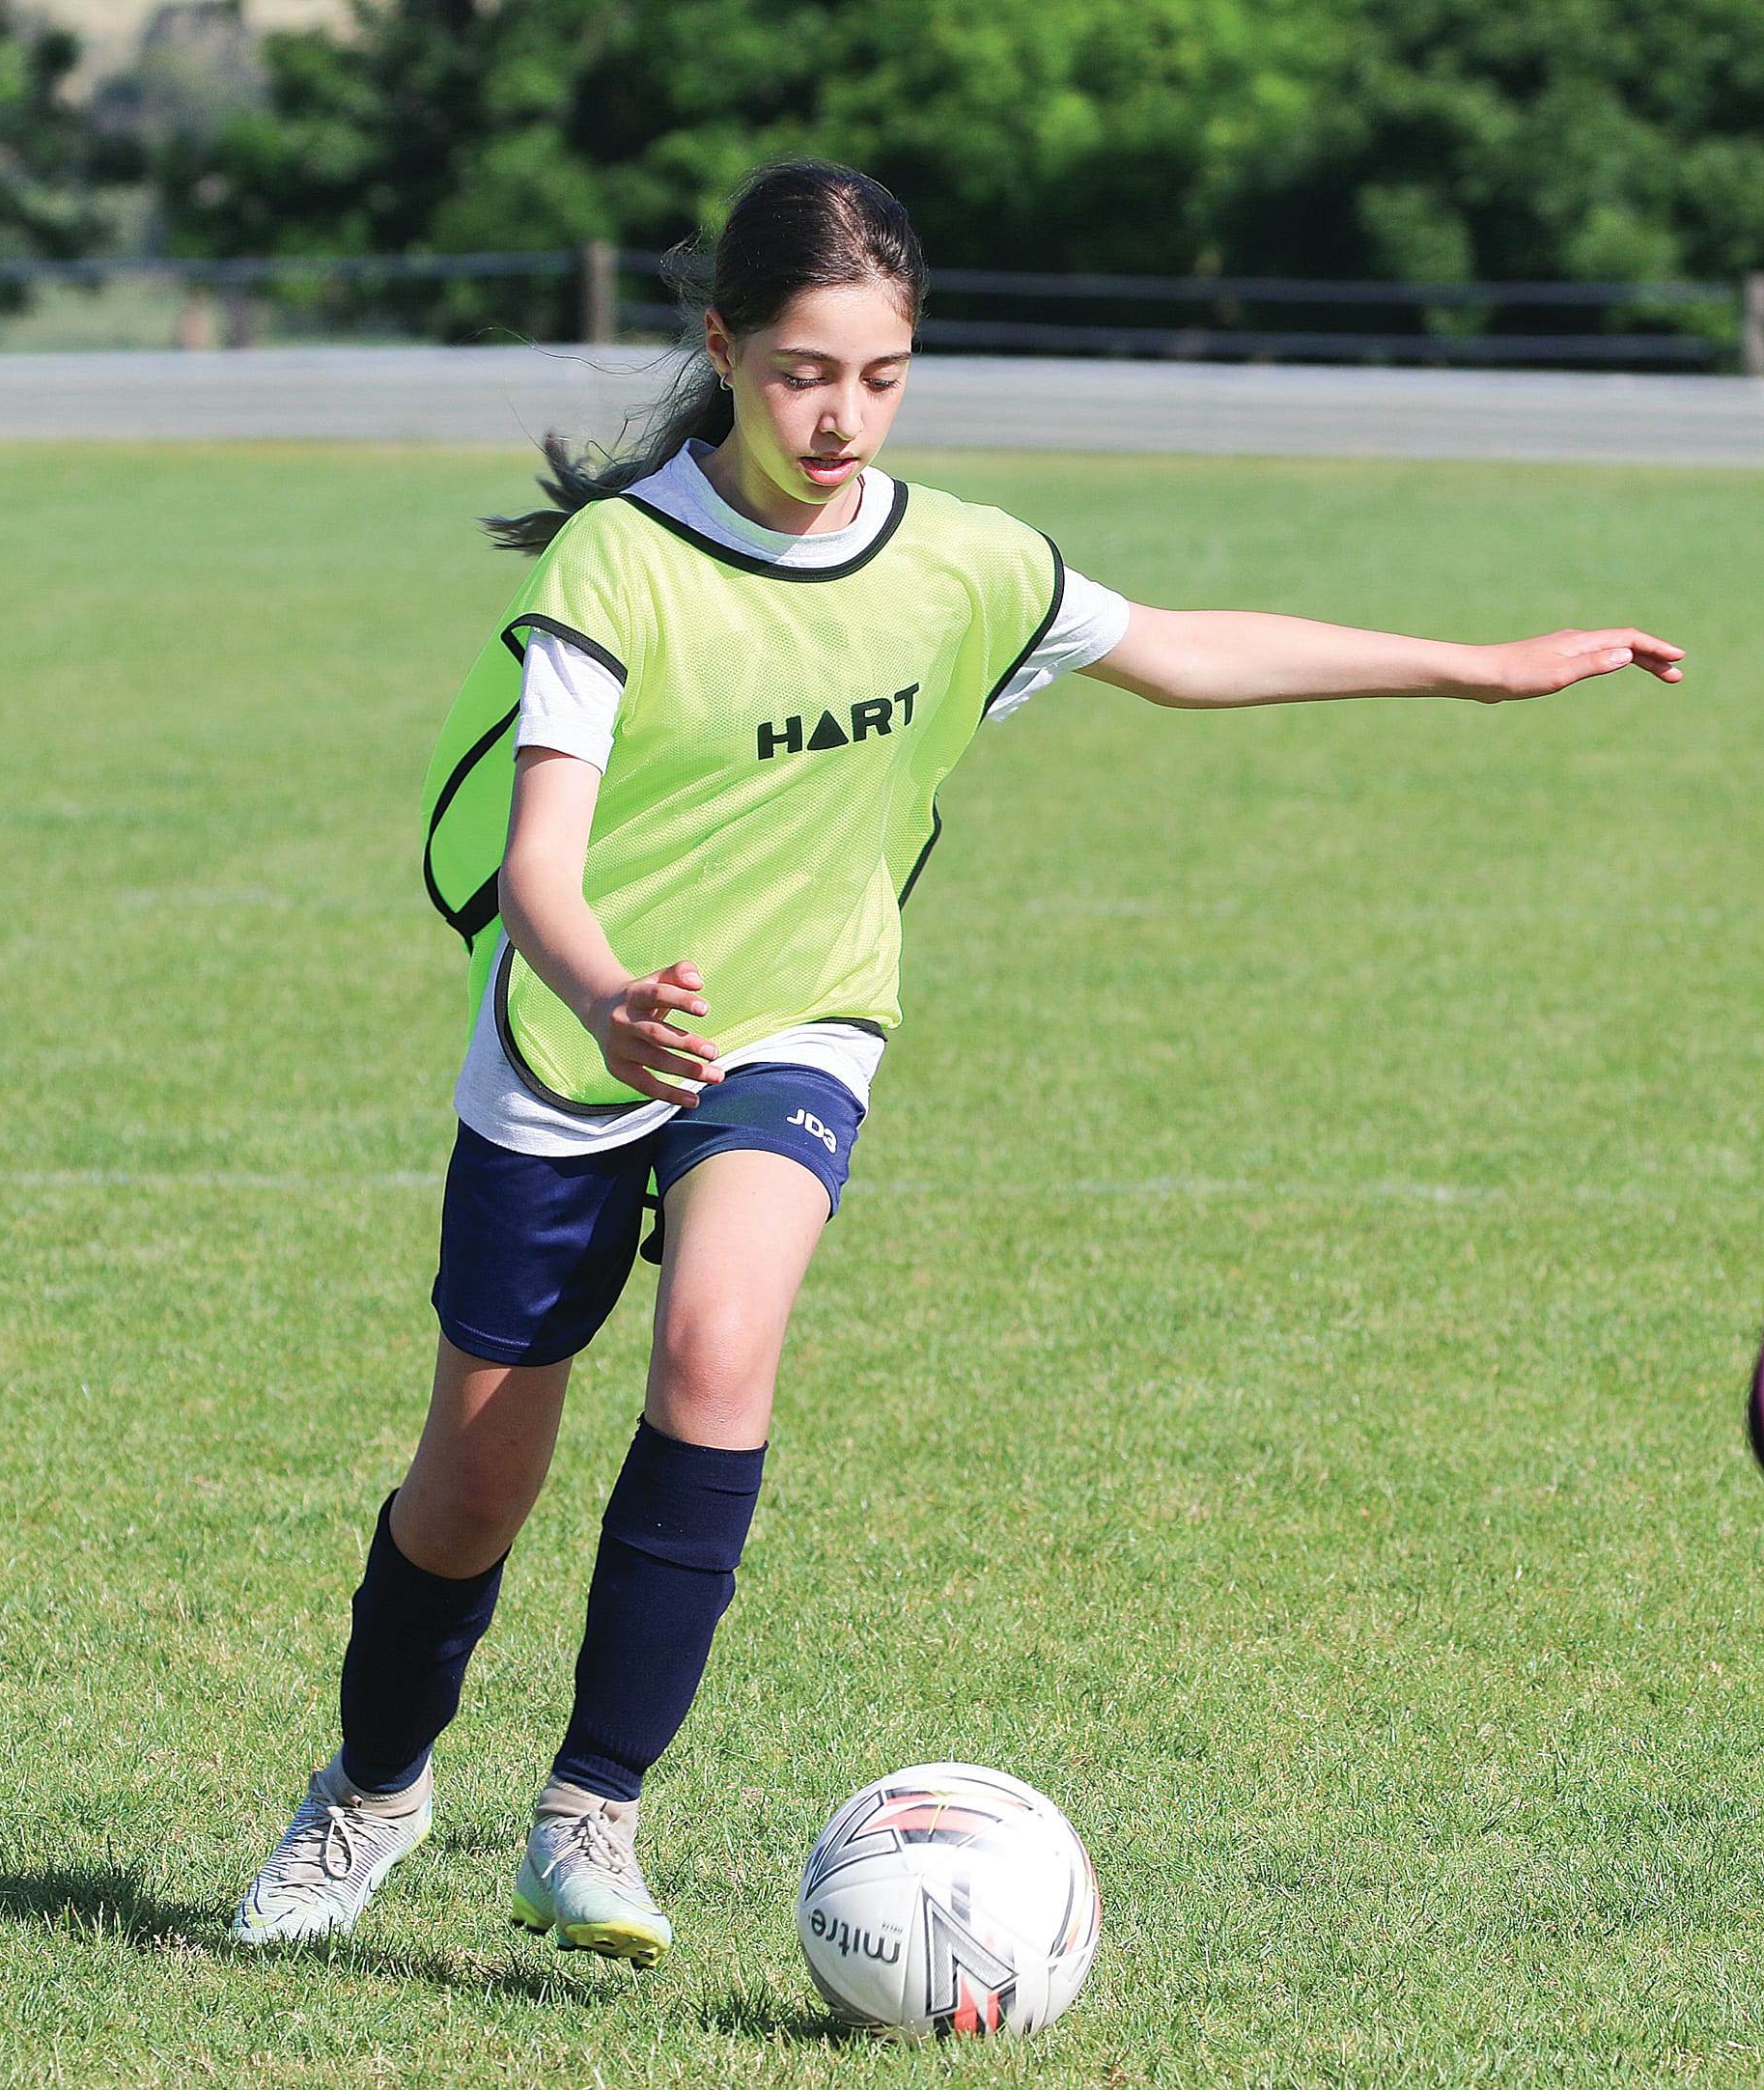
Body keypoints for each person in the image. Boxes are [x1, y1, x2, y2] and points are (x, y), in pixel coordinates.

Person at [229, 159, 1683, 1963]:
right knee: (470, 1484)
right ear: (722, 350)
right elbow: (539, 857)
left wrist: (1478, 668)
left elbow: (1180, 649)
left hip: (797, 1013)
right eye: (797, 373)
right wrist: (604, 990)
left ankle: (590, 1811)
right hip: (576, 1031)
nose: (839, 417)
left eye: (880, 374)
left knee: (720, 1339)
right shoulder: (629, 554)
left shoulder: (962, 561)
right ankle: (370, 1790)